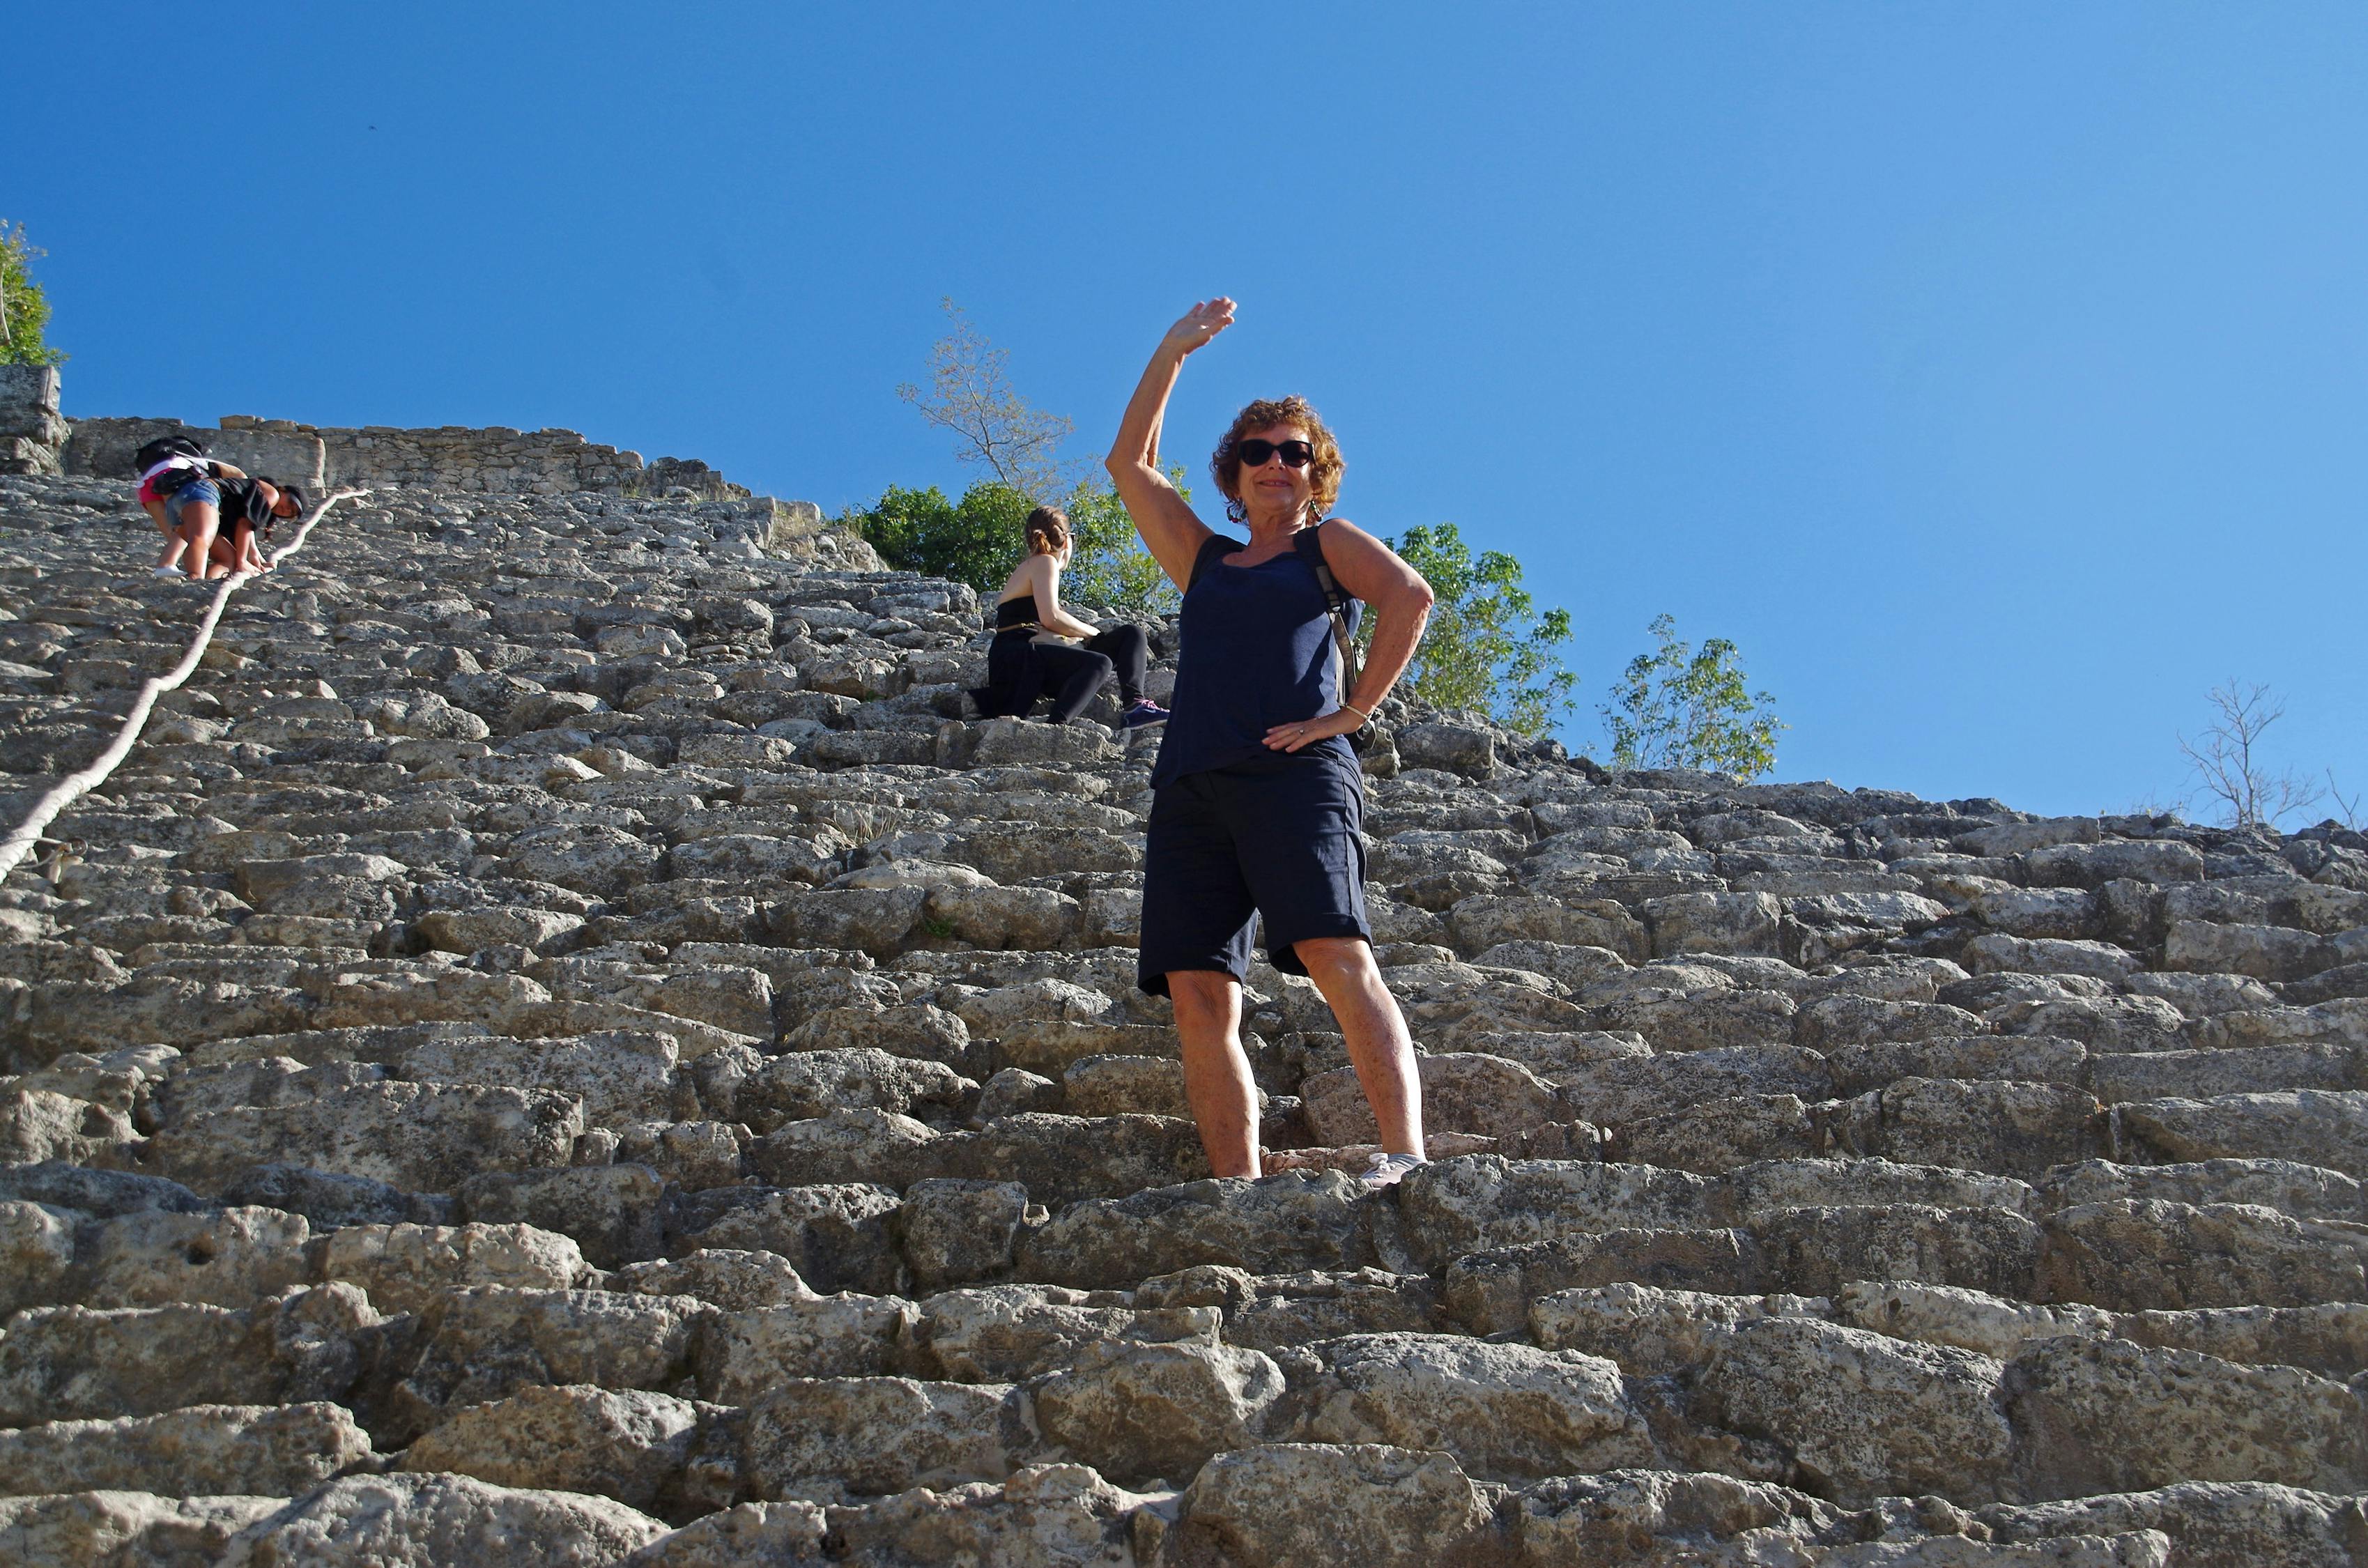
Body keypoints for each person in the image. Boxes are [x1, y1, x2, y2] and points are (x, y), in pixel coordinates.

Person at [1105, 297, 1437, 1190]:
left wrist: (1350, 713)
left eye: (1293, 453)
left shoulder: (1325, 546)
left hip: (1294, 774)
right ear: (1233, 472)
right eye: (1256, 453)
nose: (1274, 465)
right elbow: (1128, 466)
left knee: (1336, 955)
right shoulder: (1205, 561)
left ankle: (1403, 1158)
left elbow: (1409, 597)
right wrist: (1170, 353)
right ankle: (1236, 1187)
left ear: (1314, 472)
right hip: (1190, 786)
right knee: (1197, 992)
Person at [975, 505, 1170, 729]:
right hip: (1019, 659)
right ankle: (1056, 726)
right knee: (1100, 663)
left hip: (1037, 656)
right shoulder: (1044, 561)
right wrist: (1094, 633)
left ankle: (1136, 705)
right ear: (1067, 540)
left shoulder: (1035, 565)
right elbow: (1051, 617)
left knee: (1131, 634)